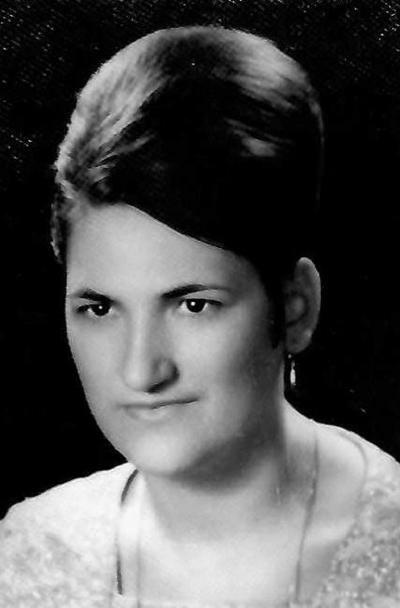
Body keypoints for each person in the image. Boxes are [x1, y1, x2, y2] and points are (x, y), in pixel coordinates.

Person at [1, 25, 400, 608]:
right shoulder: (27, 558)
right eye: (99, 308)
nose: (141, 371)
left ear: (295, 309)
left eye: (193, 305)